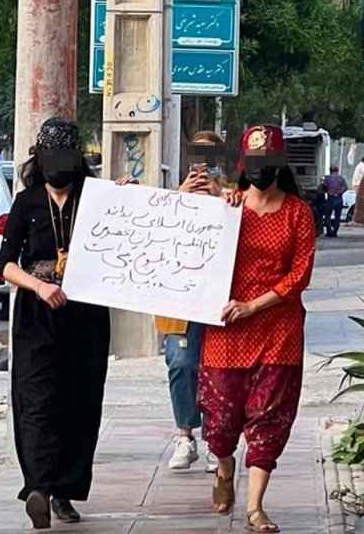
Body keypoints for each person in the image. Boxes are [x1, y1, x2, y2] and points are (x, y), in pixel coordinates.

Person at [198, 125, 316, 533]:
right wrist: (216, 203)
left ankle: (254, 507)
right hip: (227, 326)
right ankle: (225, 469)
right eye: (255, 163)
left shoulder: (298, 213)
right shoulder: (230, 208)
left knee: (269, 416)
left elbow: (299, 275)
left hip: (278, 327)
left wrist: (256, 305)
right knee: (220, 419)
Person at [0, 118, 110, 529]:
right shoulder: (26, 203)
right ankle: (39, 487)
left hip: (85, 316)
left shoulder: (96, 199)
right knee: (37, 400)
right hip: (36, 316)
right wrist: (39, 287)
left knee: (78, 401)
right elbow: (5, 264)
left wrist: (129, 199)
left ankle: (65, 490)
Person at [157, 131, 228, 473]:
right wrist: (178, 198)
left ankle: (218, 440)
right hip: (179, 300)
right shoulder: (172, 196)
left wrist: (220, 199)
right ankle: (185, 434)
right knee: (181, 364)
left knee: (218, 371)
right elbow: (149, 228)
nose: (203, 165)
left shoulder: (234, 196)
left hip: (219, 300)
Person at [321, 166, 348, 238]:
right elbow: (345, 187)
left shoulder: (327, 178)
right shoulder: (341, 178)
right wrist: (339, 192)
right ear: (337, 170)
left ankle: (329, 231)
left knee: (327, 215)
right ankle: (335, 231)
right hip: (339, 198)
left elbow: (324, 187)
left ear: (330, 170)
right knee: (337, 216)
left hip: (330, 198)